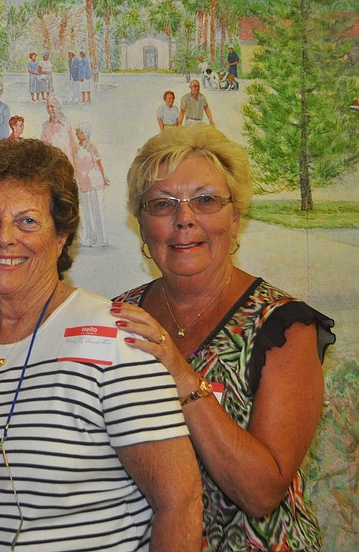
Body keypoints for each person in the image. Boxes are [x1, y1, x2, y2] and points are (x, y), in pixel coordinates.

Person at [0, 138, 202, 550]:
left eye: (27, 222)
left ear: (61, 237)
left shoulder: (116, 340)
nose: (3, 237)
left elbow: (179, 503)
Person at [112, 125, 335, 550]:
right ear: (142, 226)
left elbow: (261, 493)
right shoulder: (120, 318)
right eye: (162, 204)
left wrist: (180, 374)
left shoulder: (284, 326)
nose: (185, 218)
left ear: (235, 220)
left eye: (206, 200)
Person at [73, 122, 109, 247]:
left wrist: (104, 177)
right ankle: (91, 237)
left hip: (94, 182)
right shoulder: (78, 147)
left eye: (78, 131)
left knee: (97, 210)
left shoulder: (91, 146)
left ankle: (102, 239)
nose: (76, 133)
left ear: (84, 133)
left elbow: (98, 163)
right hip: (83, 183)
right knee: (87, 211)